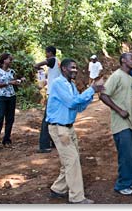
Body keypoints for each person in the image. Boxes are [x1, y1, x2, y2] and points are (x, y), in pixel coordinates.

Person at [46, 58, 104, 204]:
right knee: (72, 160)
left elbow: (78, 106)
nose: (75, 70)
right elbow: (72, 102)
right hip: (60, 128)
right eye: (72, 67)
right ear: (64, 69)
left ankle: (58, 189)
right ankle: (77, 198)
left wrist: (90, 95)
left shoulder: (71, 85)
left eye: (76, 68)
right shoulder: (58, 83)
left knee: (71, 160)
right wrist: (91, 89)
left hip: (68, 127)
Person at [99, 53, 132, 196]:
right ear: (123, 60)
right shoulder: (116, 76)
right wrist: (119, 110)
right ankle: (122, 184)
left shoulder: (130, 79)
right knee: (126, 155)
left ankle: (131, 180)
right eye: (131, 59)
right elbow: (103, 95)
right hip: (120, 124)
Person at [0, 53, 25, 150]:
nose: (11, 62)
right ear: (4, 60)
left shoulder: (12, 71)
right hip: (1, 97)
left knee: (10, 119)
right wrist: (9, 82)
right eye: (10, 60)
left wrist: (20, 81)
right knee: (0, 117)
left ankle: (7, 140)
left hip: (11, 97)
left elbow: (14, 82)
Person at [34, 46, 61, 153]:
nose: (46, 54)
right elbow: (44, 82)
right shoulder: (55, 66)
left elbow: (42, 63)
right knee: (54, 120)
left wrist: (37, 65)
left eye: (46, 53)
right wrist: (40, 73)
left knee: (47, 120)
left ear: (50, 53)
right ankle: (54, 142)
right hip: (56, 94)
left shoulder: (53, 60)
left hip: (53, 95)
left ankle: (44, 145)